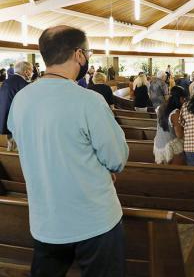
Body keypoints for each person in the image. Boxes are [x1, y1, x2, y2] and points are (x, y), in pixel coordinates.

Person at [7, 26, 128, 276]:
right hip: (95, 221)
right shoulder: (88, 101)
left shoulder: (21, 99)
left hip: (46, 220)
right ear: (79, 54)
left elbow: (30, 145)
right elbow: (116, 158)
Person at [0, 61, 32, 151]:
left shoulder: (7, 81)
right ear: (26, 71)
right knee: (18, 148)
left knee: (10, 145)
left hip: (5, 116)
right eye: (31, 70)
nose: (31, 73)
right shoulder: (23, 84)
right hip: (16, 120)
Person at [154, 86, 186, 165]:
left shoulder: (160, 108)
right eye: (184, 99)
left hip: (158, 144)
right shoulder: (175, 113)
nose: (184, 101)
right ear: (180, 98)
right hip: (170, 147)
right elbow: (179, 135)